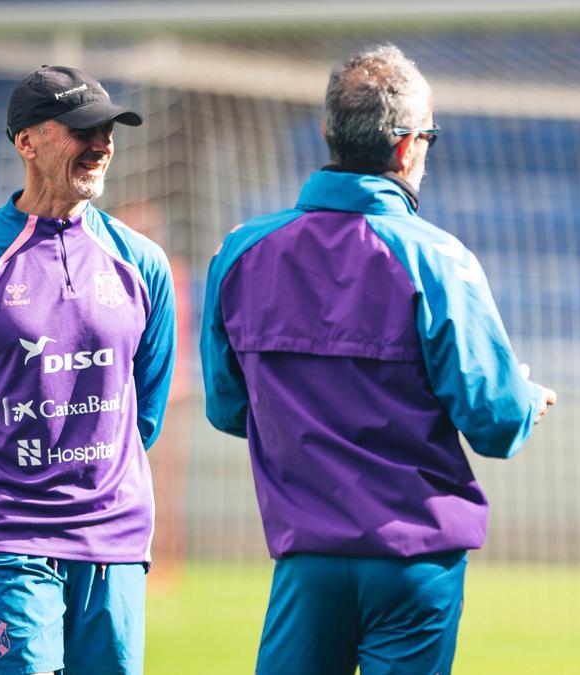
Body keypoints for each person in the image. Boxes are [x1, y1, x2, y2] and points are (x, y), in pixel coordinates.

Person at [201, 44, 557, 675]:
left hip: (306, 558)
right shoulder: (438, 259)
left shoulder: (240, 252)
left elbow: (229, 408)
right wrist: (527, 397)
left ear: (327, 134)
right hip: (413, 558)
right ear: (407, 147)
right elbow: (497, 423)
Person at [0, 65, 176, 675]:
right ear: (26, 141)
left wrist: (98, 482)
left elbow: (143, 412)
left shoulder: (141, 263)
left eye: (107, 128)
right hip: (14, 536)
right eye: (81, 129)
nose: (101, 143)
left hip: (116, 539)